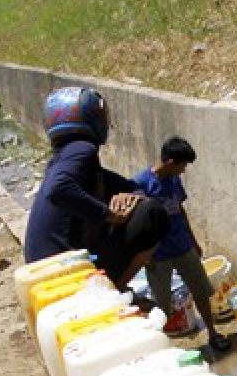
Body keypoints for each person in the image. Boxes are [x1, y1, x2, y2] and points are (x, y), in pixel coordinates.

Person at [25, 86, 169, 289]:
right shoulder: (83, 149)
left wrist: (128, 195)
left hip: (42, 271)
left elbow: (131, 186)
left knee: (142, 206)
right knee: (153, 215)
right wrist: (108, 214)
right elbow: (58, 190)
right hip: (64, 271)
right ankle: (115, 289)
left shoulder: (64, 159)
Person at [131, 137, 231, 352]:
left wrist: (193, 240)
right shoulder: (141, 184)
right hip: (158, 255)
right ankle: (164, 349)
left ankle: (213, 334)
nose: (183, 170)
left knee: (201, 292)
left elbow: (181, 211)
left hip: (183, 247)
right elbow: (135, 223)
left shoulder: (174, 179)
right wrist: (143, 255)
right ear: (168, 161)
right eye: (182, 165)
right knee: (161, 306)